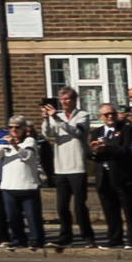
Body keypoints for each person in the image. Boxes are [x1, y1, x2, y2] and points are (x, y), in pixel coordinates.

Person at [43, 90, 94, 249]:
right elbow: (48, 135)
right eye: (62, 99)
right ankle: (65, 237)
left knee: (79, 206)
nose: (64, 102)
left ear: (74, 100)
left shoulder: (82, 115)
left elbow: (77, 132)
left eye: (67, 99)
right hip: (60, 167)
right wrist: (46, 119)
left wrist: (56, 119)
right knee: (62, 207)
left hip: (77, 166)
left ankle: (88, 237)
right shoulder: (56, 116)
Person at [93, 102, 132, 249]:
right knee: (110, 209)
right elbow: (89, 152)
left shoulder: (126, 130)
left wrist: (106, 149)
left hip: (123, 175)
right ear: (100, 117)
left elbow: (126, 150)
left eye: (112, 113)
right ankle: (115, 239)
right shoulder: (97, 132)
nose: (110, 117)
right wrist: (95, 151)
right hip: (104, 175)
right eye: (106, 114)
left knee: (130, 208)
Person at [0, 115, 45, 250]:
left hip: (27, 185)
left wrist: (14, 145)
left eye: (17, 127)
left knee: (32, 216)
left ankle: (36, 240)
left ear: (23, 129)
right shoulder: (4, 142)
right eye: (11, 127)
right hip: (9, 185)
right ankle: (18, 239)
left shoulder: (30, 141)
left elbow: (27, 155)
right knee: (12, 216)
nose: (14, 130)